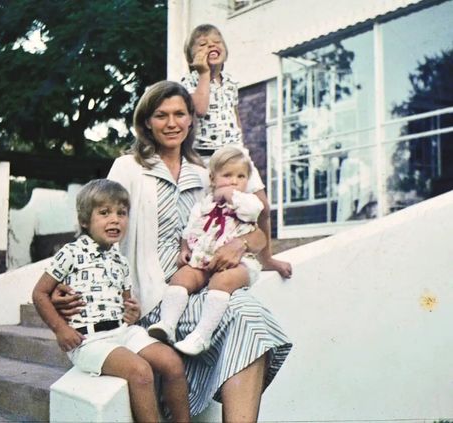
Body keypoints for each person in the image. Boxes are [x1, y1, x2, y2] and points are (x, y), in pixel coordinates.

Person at [52, 81, 292, 422]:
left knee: (247, 315)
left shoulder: (205, 174)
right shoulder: (128, 167)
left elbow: (254, 234)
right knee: (244, 314)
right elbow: (96, 226)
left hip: (199, 289)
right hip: (151, 302)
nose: (171, 122)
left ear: (191, 120)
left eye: (180, 113)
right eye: (161, 115)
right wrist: (66, 284)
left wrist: (239, 244)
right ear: (146, 121)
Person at [32, 179, 190, 423]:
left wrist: (132, 312)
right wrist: (61, 329)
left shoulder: (121, 262)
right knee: (141, 372)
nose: (115, 219)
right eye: (104, 213)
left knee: (172, 363)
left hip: (122, 333)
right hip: (89, 340)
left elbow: (128, 307)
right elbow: (40, 293)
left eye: (121, 213)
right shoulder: (71, 253)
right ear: (85, 220)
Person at [181, 23, 293, 279]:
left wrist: (242, 144)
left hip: (237, 153)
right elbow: (199, 109)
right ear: (191, 57)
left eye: (216, 41)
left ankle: (266, 258)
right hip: (209, 156)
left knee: (262, 206)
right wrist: (204, 74)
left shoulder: (231, 83)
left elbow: (234, 115)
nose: (211, 45)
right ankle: (205, 258)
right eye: (203, 44)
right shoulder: (190, 81)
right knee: (218, 209)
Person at [148, 145, 266, 356]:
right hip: (204, 258)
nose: (234, 181)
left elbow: (254, 211)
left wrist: (230, 195)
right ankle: (167, 324)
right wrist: (184, 248)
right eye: (227, 175)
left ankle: (202, 335)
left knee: (221, 282)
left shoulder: (248, 201)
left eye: (241, 176)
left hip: (240, 263)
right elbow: (190, 227)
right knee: (182, 276)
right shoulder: (205, 204)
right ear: (213, 178)